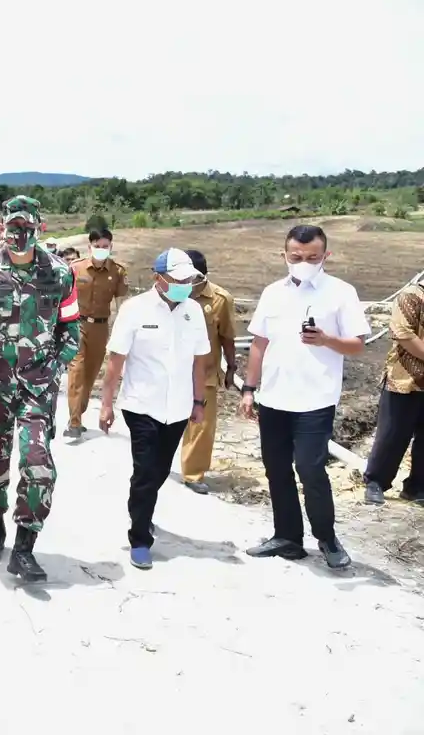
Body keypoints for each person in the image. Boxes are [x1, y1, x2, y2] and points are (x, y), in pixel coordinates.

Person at [0, 196, 79, 583]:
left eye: (28, 227)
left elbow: (71, 333)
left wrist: (52, 369)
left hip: (38, 389)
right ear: (1, 227)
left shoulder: (60, 274)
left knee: (38, 463)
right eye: (13, 227)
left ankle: (24, 546)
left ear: (40, 228)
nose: (20, 234)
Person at [240, 224, 368, 570]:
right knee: (276, 469)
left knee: (310, 469)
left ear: (326, 255)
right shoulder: (272, 293)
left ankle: (326, 538)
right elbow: (258, 343)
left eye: (313, 257)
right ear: (285, 255)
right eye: (296, 257)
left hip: (315, 400)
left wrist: (327, 340)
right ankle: (287, 537)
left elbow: (357, 344)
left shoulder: (341, 293)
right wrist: (250, 389)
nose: (304, 262)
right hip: (274, 399)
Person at [98, 249, 211, 570]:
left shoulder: (194, 312)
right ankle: (140, 538)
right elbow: (115, 362)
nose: (184, 285)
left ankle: (139, 506)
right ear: (158, 278)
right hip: (141, 405)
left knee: (159, 471)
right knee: (147, 471)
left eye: (188, 280)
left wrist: (198, 402)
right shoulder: (135, 310)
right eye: (177, 280)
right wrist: (106, 405)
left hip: (177, 408)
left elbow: (199, 362)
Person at [179, 249, 237, 494]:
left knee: (201, 425)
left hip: (206, 372)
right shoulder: (171, 294)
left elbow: (227, 337)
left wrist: (231, 368)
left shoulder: (220, 299)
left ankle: (193, 474)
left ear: (201, 275)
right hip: (172, 370)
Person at [363, 276, 424, 505]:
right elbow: (404, 334)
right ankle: (375, 482)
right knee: (393, 434)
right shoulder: (412, 295)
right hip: (405, 378)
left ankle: (417, 487)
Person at [63, 228, 128, 443]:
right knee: (77, 369)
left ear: (111, 247)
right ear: (89, 247)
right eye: (97, 246)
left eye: (105, 246)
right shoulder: (75, 269)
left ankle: (78, 414)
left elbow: (121, 304)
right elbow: (62, 298)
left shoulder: (117, 272)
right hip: (77, 324)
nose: (101, 250)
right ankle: (73, 422)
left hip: (101, 327)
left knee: (90, 374)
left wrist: (123, 330)